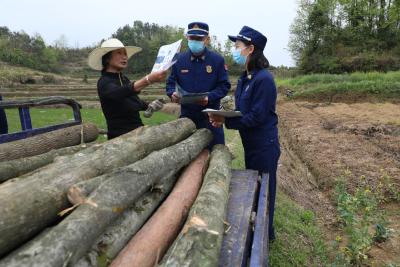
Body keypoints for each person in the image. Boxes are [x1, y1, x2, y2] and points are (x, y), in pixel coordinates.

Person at [208, 26, 280, 241]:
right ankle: (258, 230)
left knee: (264, 190)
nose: (235, 50)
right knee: (255, 186)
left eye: (237, 46)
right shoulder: (245, 78)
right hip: (251, 143)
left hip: (264, 145)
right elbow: (242, 111)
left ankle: (266, 236)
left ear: (250, 49)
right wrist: (223, 116)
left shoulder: (264, 79)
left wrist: (226, 122)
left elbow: (256, 117)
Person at [166, 22, 231, 148]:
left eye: (199, 38)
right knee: (185, 155)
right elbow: (171, 83)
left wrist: (209, 97)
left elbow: (224, 86)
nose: (195, 41)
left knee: (216, 152)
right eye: (192, 38)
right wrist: (171, 93)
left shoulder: (217, 60)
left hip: (211, 117)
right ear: (187, 38)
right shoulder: (179, 60)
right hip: (187, 118)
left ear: (207, 39)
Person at [88, 38, 166, 140]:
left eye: (125, 54)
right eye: (119, 53)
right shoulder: (104, 82)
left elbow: (133, 100)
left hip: (138, 133)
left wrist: (149, 105)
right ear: (107, 58)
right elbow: (121, 92)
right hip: (120, 138)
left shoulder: (124, 79)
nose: (124, 57)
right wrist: (148, 79)